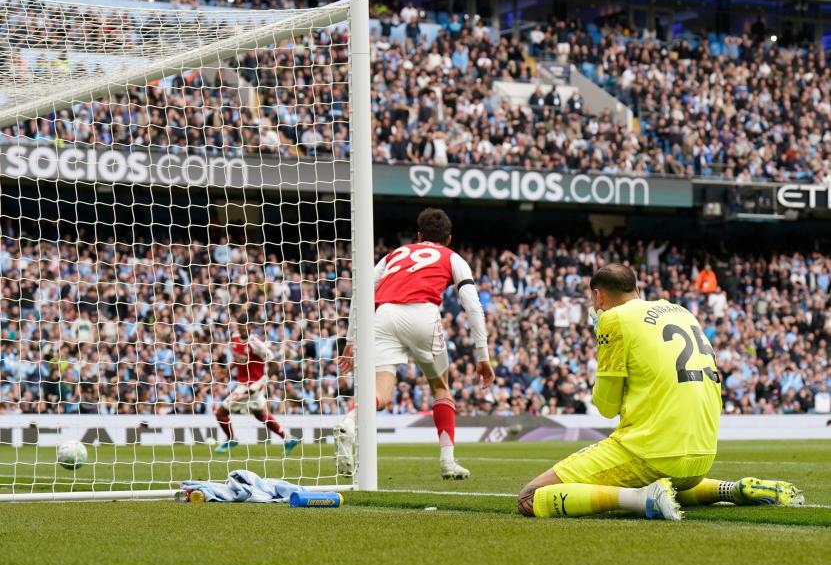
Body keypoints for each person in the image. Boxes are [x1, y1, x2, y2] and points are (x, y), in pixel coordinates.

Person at [517, 264, 803, 520]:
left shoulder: (613, 319)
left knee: (530, 497)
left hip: (652, 452)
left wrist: (600, 339)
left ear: (598, 297)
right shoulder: (682, 311)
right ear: (638, 289)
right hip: (702, 456)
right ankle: (731, 489)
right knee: (668, 478)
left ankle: (641, 499)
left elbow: (606, 406)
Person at [336, 208, 494, 479]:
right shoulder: (452, 257)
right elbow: (473, 305)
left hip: (383, 316)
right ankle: (447, 461)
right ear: (449, 238)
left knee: (381, 396)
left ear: (419, 235)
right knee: (441, 389)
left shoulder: (394, 254)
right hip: (423, 314)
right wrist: (483, 355)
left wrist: (351, 340)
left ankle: (349, 423)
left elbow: (361, 293)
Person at [213, 312, 299, 454]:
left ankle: (232, 438)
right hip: (244, 385)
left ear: (251, 326)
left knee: (221, 413)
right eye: (240, 326)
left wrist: (260, 384)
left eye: (245, 326)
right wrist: (227, 371)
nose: (242, 329)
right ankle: (289, 439)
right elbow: (238, 358)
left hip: (251, 387)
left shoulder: (256, 344)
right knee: (261, 416)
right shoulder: (234, 338)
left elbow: (274, 364)